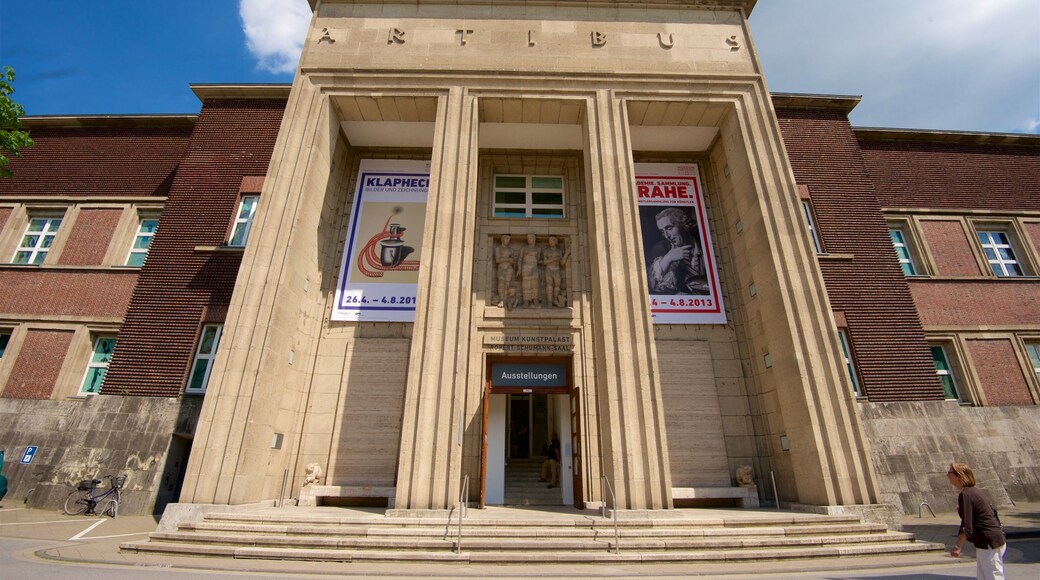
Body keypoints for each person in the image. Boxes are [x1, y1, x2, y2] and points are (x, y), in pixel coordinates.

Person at [947, 462, 1006, 580]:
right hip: (989, 540)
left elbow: (967, 525)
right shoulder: (974, 491)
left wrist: (958, 547)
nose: (947, 475)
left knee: (993, 577)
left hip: (988, 541)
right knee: (984, 577)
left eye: (950, 473)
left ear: (959, 476)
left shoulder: (965, 494)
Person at [646, 207, 706, 295]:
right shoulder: (661, 249)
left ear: (683, 225)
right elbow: (654, 285)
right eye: (662, 231)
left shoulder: (702, 242)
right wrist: (668, 258)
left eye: (669, 228)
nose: (667, 236)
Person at [541, 236, 568, 307]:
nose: (551, 242)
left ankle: (555, 300)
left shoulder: (559, 251)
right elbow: (544, 262)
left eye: (552, 240)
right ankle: (549, 301)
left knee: (557, 285)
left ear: (556, 242)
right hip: (549, 269)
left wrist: (566, 254)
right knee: (549, 285)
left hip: (557, 269)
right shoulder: (547, 251)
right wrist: (553, 259)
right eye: (550, 241)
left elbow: (562, 263)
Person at [517, 233, 541, 307]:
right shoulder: (524, 248)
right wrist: (519, 269)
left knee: (535, 283)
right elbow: (520, 259)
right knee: (526, 284)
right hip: (525, 267)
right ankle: (526, 300)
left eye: (531, 238)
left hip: (534, 267)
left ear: (534, 239)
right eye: (528, 238)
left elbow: (538, 259)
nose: (529, 240)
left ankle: (535, 299)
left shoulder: (538, 249)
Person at [493, 234, 515, 307]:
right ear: (502, 239)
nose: (508, 241)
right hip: (501, 268)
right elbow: (497, 260)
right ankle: (501, 300)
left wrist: (511, 261)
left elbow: (513, 261)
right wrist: (508, 259)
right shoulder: (498, 248)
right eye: (506, 239)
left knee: (507, 284)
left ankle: (506, 300)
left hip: (509, 268)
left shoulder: (510, 250)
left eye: (509, 239)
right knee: (501, 284)